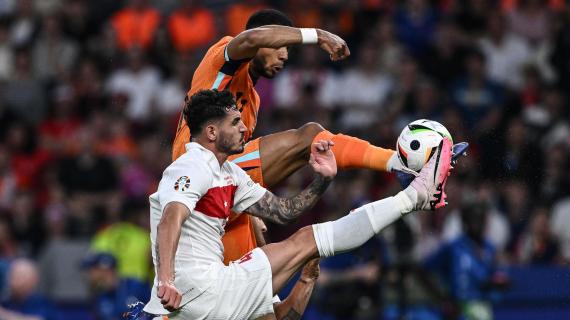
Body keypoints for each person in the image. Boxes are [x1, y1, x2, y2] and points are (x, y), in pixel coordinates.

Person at [138, 89, 452, 319]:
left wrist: (323, 179)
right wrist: (166, 279)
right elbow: (170, 219)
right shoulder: (191, 165)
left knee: (304, 242)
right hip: (196, 288)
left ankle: (414, 197)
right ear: (211, 131)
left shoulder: (229, 173)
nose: (244, 128)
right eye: (235, 122)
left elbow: (284, 212)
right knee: (309, 241)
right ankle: (414, 197)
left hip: (202, 297)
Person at [171, 8, 423, 266]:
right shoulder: (221, 58)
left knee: (258, 289)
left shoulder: (253, 102)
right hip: (194, 171)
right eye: (280, 46)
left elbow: (244, 167)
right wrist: (318, 34)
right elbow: (252, 39)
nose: (284, 56)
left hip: (216, 195)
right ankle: (397, 162)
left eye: (288, 50)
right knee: (310, 136)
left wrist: (251, 207)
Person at [81, 252, 150, 320]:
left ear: (103, 270)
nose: (89, 275)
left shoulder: (135, 286)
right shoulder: (99, 296)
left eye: (92, 270)